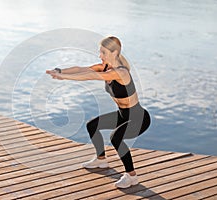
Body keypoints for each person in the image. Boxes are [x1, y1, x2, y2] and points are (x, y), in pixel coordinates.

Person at [46, 36, 151, 188]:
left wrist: (64, 77)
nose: (100, 55)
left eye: (103, 52)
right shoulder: (105, 67)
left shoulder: (121, 72)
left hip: (138, 118)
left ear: (114, 53)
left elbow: (90, 76)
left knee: (116, 138)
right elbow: (82, 69)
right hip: (123, 114)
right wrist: (60, 70)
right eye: (100, 52)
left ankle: (132, 176)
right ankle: (101, 160)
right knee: (92, 125)